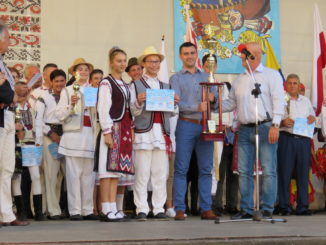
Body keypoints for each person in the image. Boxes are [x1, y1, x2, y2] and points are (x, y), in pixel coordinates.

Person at [222, 42, 285, 219]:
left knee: (268, 169)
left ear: (254, 55)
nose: (241, 56)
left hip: (265, 126)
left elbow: (279, 101)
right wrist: (214, 104)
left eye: (244, 53)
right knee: (244, 171)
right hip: (244, 129)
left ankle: (267, 209)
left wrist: (276, 125)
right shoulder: (239, 79)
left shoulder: (271, 76)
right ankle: (247, 209)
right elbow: (230, 104)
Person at [170, 42, 218, 221]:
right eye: (185, 53)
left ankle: (206, 208)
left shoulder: (207, 76)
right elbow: (175, 103)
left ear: (197, 54)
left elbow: (217, 103)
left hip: (206, 125)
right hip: (186, 124)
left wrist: (213, 100)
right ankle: (180, 208)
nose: (189, 56)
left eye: (192, 52)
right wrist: (195, 106)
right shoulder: (176, 79)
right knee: (181, 168)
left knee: (206, 169)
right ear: (180, 56)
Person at [130, 46, 179, 221]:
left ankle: (158, 208)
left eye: (157, 61)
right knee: (142, 172)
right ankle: (141, 208)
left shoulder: (166, 85)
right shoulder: (135, 85)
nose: (154, 64)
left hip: (162, 133)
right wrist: (138, 102)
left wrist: (174, 103)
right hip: (144, 132)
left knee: (161, 172)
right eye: (150, 61)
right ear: (144, 63)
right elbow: (132, 112)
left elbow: (172, 112)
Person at [94, 47, 134, 221]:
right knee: (106, 170)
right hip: (112, 128)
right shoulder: (106, 83)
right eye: (119, 61)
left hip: (123, 129)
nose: (123, 64)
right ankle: (106, 208)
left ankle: (113, 207)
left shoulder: (125, 84)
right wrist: (107, 131)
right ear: (111, 62)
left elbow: (130, 108)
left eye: (124, 61)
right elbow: (103, 109)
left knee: (115, 171)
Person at [55, 58, 97, 221]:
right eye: (80, 69)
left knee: (88, 175)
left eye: (86, 69)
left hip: (90, 136)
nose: (84, 72)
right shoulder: (67, 91)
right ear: (74, 72)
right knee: (73, 175)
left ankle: (87, 209)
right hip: (73, 136)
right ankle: (75, 210)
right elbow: (58, 115)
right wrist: (70, 106)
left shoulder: (94, 90)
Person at [0, 22, 28, 226]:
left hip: (9, 115)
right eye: (8, 38)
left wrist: (13, 95)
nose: (10, 41)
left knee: (8, 168)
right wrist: (10, 95)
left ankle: (6, 214)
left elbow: (6, 89)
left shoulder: (2, 63)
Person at [278, 74, 315, 216]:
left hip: (304, 140)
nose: (293, 85)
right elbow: (273, 120)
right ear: (286, 85)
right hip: (287, 139)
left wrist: (312, 118)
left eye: (295, 83)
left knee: (303, 174)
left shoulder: (305, 101)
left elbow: (313, 118)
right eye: (290, 83)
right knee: (285, 173)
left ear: (299, 85)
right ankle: (284, 207)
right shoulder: (281, 100)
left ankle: (302, 207)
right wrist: (282, 123)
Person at [12, 80, 46, 221]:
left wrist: (39, 141)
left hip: (31, 144)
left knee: (36, 176)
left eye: (26, 91)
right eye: (20, 91)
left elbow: (39, 123)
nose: (23, 94)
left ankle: (38, 211)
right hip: (16, 144)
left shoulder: (32, 105)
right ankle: (22, 211)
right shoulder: (11, 107)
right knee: (17, 178)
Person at [35, 69, 66, 220]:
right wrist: (50, 133)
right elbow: (38, 120)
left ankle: (54, 207)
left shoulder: (68, 97)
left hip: (65, 137)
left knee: (60, 175)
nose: (60, 84)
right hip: (50, 137)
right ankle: (52, 211)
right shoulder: (44, 98)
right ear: (51, 82)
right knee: (51, 175)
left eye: (62, 81)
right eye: (57, 81)